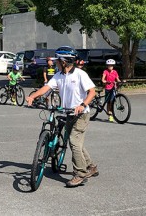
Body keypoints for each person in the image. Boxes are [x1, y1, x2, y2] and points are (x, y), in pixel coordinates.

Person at [26, 47, 98, 187]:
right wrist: (32, 96)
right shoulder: (59, 75)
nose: (55, 62)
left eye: (57, 60)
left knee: (74, 141)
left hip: (81, 114)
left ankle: (80, 174)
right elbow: (47, 88)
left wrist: (82, 105)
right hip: (68, 113)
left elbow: (92, 92)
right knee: (76, 142)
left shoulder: (80, 74)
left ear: (64, 61)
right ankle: (91, 166)